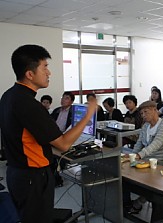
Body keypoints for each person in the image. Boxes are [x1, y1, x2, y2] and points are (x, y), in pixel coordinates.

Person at [0, 44, 97, 223]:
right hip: (32, 178)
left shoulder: (8, 96)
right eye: (45, 67)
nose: (49, 73)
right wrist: (88, 114)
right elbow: (63, 144)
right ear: (30, 74)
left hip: (16, 173)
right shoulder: (28, 104)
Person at [123, 100, 163, 214]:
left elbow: (155, 145)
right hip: (144, 160)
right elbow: (139, 143)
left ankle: (139, 202)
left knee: (151, 185)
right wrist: (132, 156)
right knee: (124, 177)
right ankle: (126, 204)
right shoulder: (145, 126)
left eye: (146, 112)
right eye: (141, 113)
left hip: (159, 162)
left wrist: (139, 155)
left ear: (155, 110)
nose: (143, 115)